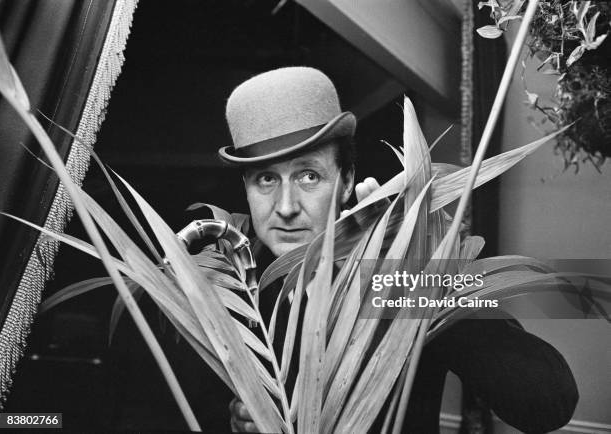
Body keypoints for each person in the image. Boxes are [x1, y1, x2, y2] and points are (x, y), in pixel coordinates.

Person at [206, 67, 578, 433]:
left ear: (347, 180)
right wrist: (243, 418)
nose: (286, 207)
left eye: (309, 176)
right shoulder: (236, 283)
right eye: (266, 179)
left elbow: (549, 404)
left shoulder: (405, 276)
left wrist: (415, 277)